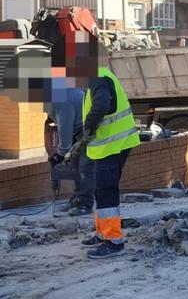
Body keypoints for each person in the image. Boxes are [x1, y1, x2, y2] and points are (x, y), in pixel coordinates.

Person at [76, 39, 140, 259]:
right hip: (111, 145)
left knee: (106, 191)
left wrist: (88, 127)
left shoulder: (98, 77)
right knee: (99, 189)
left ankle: (113, 241)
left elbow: (102, 105)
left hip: (113, 145)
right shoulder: (100, 75)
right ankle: (103, 232)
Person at [46, 71, 92, 215]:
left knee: (84, 168)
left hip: (87, 133)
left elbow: (65, 129)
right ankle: (76, 199)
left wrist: (58, 156)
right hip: (80, 131)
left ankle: (84, 204)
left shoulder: (60, 99)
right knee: (76, 165)